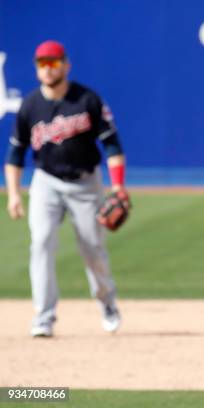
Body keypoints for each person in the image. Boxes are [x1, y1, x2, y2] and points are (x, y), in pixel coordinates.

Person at [4, 40, 127, 337]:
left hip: (85, 183)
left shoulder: (87, 100)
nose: (48, 69)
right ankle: (43, 315)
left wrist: (118, 186)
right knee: (41, 243)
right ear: (36, 68)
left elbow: (111, 144)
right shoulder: (30, 105)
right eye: (42, 63)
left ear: (66, 65)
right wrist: (13, 193)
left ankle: (107, 301)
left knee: (92, 249)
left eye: (53, 62)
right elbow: (15, 153)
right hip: (46, 182)